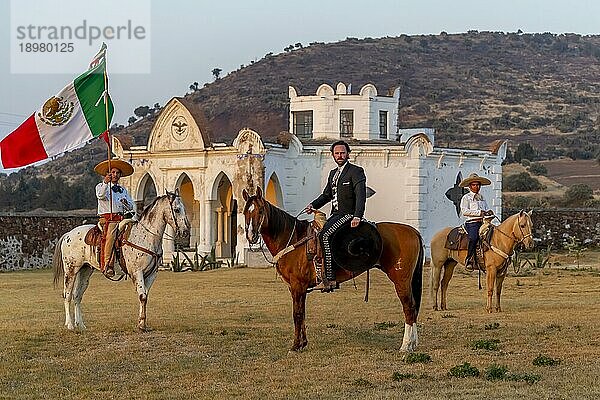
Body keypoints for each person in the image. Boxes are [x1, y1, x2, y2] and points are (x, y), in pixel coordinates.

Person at [305, 140, 367, 292]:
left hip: (348, 214)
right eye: (337, 153)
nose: (340, 156)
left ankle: (330, 278)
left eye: (342, 153)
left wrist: (357, 216)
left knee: (325, 236)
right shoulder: (333, 173)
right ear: (332, 155)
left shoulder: (356, 171)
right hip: (335, 214)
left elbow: (361, 196)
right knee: (318, 233)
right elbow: (327, 195)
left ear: (348, 154)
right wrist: (313, 205)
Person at [94, 159, 135, 277]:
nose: (115, 175)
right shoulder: (101, 187)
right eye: (112, 172)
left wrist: (125, 202)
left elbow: (131, 206)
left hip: (121, 219)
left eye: (117, 173)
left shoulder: (123, 190)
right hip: (108, 220)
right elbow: (100, 195)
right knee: (111, 236)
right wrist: (106, 183)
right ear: (108, 174)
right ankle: (107, 265)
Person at [459, 173, 494, 270]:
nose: (476, 187)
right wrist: (479, 213)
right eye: (474, 185)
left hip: (483, 223)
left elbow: (486, 209)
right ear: (470, 186)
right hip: (472, 223)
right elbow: (464, 211)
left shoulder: (482, 197)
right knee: (474, 238)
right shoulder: (466, 198)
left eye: (478, 185)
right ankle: (469, 258)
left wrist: (488, 212)